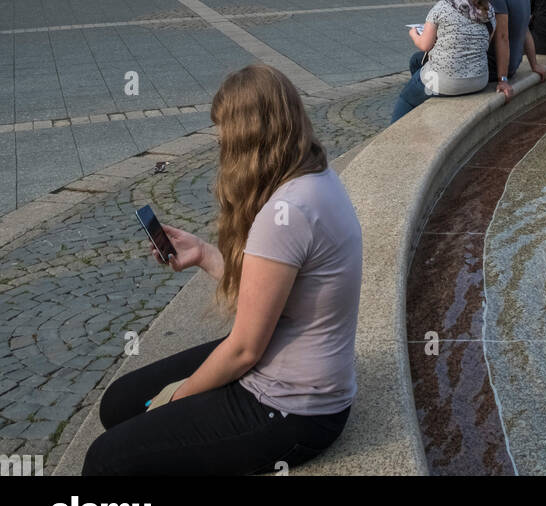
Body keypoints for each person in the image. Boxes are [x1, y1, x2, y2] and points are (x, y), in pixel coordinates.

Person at [81, 65, 362, 477]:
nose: (219, 141)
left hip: (293, 410)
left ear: (248, 137)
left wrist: (177, 399)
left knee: (104, 461)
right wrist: (203, 253)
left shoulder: (286, 214)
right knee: (119, 403)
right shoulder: (314, 176)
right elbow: (270, 288)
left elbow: (244, 349)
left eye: (223, 131)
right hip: (285, 372)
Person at [391, 0, 497, 123]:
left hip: (446, 81)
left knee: (406, 98)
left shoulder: (441, 7)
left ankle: (394, 138)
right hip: (479, 79)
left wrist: (414, 34)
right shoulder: (487, 9)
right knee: (417, 60)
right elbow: (484, 42)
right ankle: (428, 109)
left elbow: (425, 45)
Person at [469, 0, 546, 101]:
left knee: (419, 60)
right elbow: (525, 31)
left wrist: (503, 79)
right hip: (513, 65)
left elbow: (502, 35)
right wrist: (534, 65)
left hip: (492, 67)